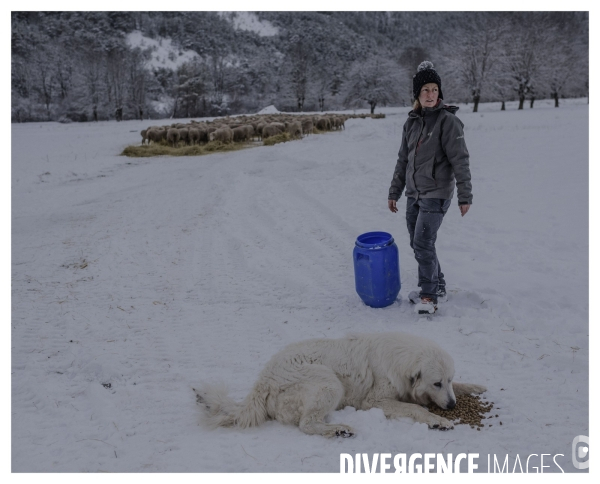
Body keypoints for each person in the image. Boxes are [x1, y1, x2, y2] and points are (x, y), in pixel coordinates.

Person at [388, 61, 472, 314]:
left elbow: (460, 159)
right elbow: (403, 160)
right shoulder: (411, 123)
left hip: (437, 193)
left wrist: (464, 195)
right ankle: (439, 285)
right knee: (418, 243)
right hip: (414, 193)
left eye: (434, 89)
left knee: (423, 242)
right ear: (417, 94)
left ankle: (429, 296)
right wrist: (395, 192)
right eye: (425, 89)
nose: (430, 94)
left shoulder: (448, 122)